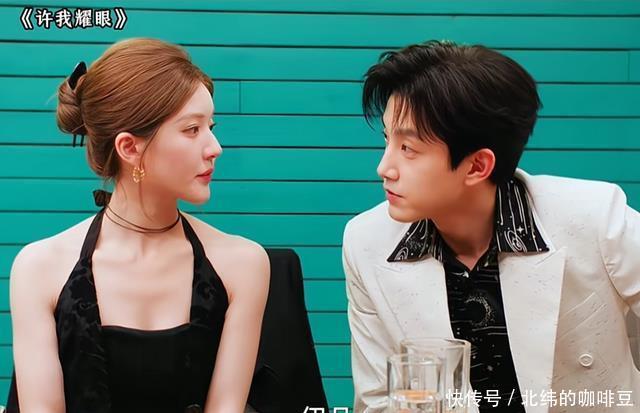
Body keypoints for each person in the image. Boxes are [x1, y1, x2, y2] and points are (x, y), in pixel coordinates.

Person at [342, 40, 640, 413]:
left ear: (477, 166)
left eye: (409, 149)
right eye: (388, 140)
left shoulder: (594, 217)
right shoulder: (366, 241)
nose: (384, 168)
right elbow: (377, 401)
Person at [7, 38, 270, 413]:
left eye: (210, 126)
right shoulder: (40, 269)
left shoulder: (243, 264)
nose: (215, 147)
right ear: (129, 148)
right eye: (192, 129)